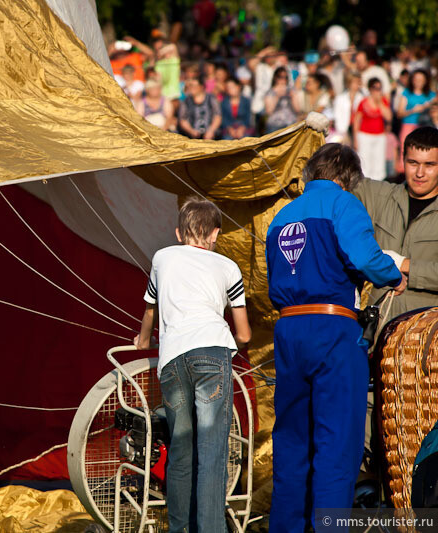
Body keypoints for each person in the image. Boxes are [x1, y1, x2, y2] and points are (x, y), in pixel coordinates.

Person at [266, 144, 406, 533]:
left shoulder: (282, 215)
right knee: (337, 445)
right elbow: (365, 258)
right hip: (332, 329)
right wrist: (393, 275)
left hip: (289, 330)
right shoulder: (343, 204)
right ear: (347, 178)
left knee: (292, 443)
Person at [135, 198, 251, 533]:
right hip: (212, 353)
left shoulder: (162, 257)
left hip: (172, 360)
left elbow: (150, 312)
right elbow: (242, 332)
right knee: (212, 453)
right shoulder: (228, 267)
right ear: (215, 234)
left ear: (177, 232)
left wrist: (143, 342)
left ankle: (179, 529)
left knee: (181, 451)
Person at [354, 126, 438, 319]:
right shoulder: (378, 195)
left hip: (426, 335)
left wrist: (405, 264)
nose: (419, 173)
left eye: (429, 165)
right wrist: (314, 136)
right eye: (413, 163)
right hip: (376, 331)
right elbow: (333, 179)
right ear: (402, 159)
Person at [396, 70, 436, 171]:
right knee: (406, 150)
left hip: (425, 126)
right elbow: (399, 113)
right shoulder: (407, 93)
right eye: (416, 79)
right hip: (409, 125)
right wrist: (413, 110)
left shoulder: (431, 95)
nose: (418, 82)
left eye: (421, 80)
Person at [354, 78, 392, 180]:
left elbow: (388, 117)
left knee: (379, 161)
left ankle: (378, 182)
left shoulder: (383, 101)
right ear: (370, 89)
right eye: (375, 88)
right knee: (365, 161)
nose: (377, 91)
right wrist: (355, 139)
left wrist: (380, 103)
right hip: (364, 135)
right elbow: (357, 121)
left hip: (379, 136)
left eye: (380, 88)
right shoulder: (363, 102)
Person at [178, 74, 222, 139]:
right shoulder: (186, 101)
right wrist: (191, 131)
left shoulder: (211, 98)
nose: (191, 88)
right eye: (190, 86)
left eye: (194, 86)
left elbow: (217, 116)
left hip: (211, 135)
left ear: (201, 87)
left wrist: (211, 130)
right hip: (193, 135)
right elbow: (182, 119)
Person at [332, 70, 367, 145]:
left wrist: (363, 87)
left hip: (358, 130)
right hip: (344, 130)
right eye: (355, 82)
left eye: (358, 82)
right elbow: (337, 116)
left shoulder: (363, 98)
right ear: (349, 82)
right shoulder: (340, 98)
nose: (357, 84)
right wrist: (342, 132)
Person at [264, 67, 301, 133]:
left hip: (290, 123)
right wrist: (277, 97)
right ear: (275, 78)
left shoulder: (292, 90)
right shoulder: (270, 92)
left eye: (285, 77)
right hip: (274, 125)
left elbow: (297, 110)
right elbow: (269, 111)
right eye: (280, 77)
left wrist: (293, 97)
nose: (283, 80)